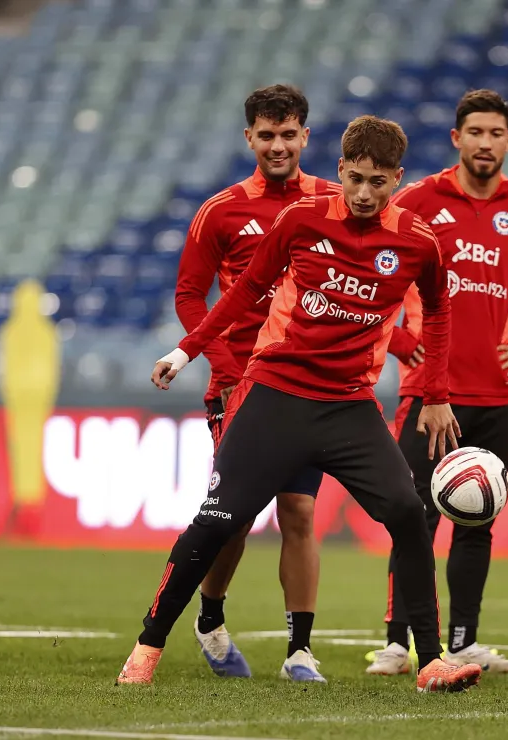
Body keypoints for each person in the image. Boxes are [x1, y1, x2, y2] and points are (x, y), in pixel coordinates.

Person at [118, 115, 482, 693]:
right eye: (356, 179)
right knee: (218, 522)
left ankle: (432, 660)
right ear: (340, 171)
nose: (365, 194)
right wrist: (187, 351)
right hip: (276, 395)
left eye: (379, 182)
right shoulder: (301, 219)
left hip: (348, 407)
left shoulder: (416, 240)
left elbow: (438, 312)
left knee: (409, 516)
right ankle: (147, 647)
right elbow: (243, 290)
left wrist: (436, 392)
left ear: (397, 180)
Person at [369, 89, 508, 676]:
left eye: (496, 134)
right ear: (456, 139)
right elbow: (365, 268)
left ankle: (464, 642)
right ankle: (397, 643)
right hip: (429, 392)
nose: (485, 143)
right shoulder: (419, 200)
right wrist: (400, 343)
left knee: (477, 519)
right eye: (476, 133)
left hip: (496, 396)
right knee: (414, 518)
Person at [174, 84, 340, 681]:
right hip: (239, 385)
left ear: (305, 136)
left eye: (288, 134)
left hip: (306, 384)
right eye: (266, 135)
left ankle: (299, 651)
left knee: (298, 511)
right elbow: (190, 294)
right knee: (237, 516)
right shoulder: (220, 210)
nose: (277, 145)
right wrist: (220, 361)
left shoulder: (335, 201)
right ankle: (210, 620)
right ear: (249, 137)